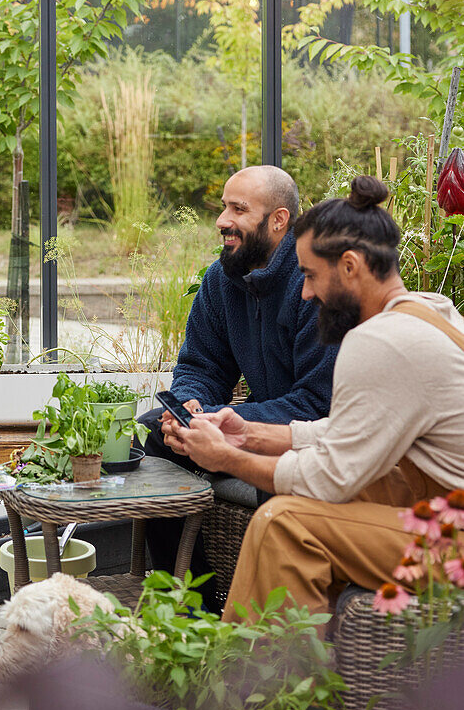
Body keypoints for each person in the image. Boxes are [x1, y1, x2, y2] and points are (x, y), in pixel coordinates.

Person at [164, 176, 464, 621]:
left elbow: (329, 477)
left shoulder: (379, 341)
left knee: (283, 524)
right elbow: (345, 431)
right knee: (312, 504)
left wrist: (226, 457)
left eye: (309, 275)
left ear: (349, 266)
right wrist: (249, 434)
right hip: (439, 516)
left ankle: (242, 677)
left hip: (450, 543)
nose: (305, 293)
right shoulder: (428, 310)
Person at [139, 165, 338, 590]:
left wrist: (217, 420)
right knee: (156, 431)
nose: (222, 220)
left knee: (280, 472)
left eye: (238, 209)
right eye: (223, 207)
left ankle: (269, 621)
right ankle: (189, 607)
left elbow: (316, 403)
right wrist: (190, 406)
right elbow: (201, 366)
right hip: (247, 423)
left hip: (309, 435)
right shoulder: (221, 280)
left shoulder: (314, 286)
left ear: (278, 220)